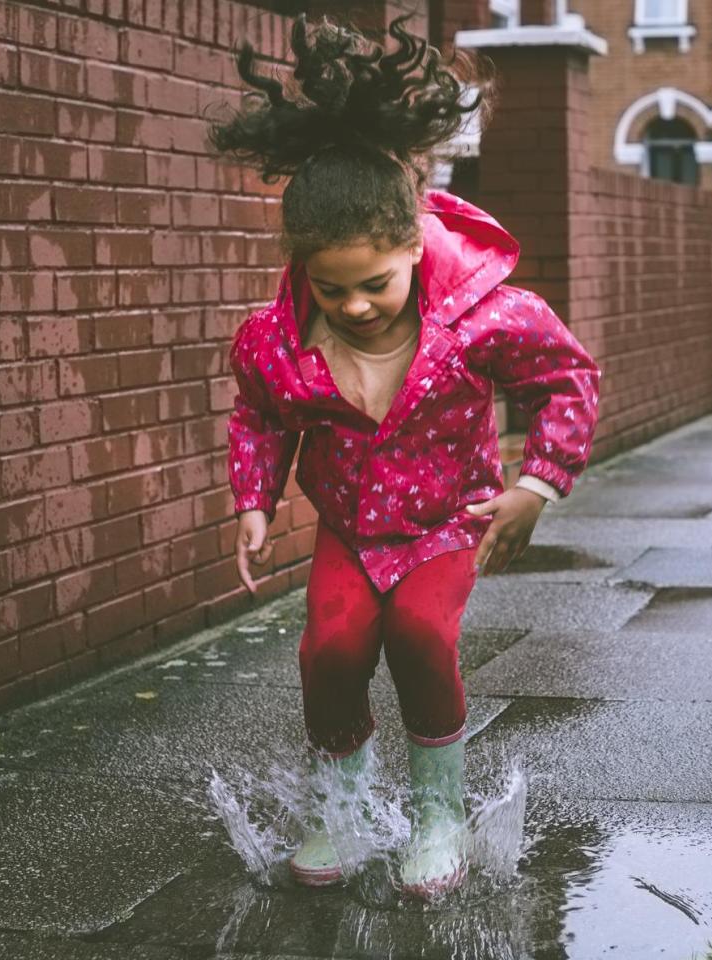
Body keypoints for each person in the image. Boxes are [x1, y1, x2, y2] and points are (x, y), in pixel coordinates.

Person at [208, 15, 600, 896]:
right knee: (333, 649)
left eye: (375, 284)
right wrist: (254, 500)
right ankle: (341, 810)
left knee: (422, 637)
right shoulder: (277, 341)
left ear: (415, 247)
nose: (354, 306)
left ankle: (438, 814)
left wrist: (537, 483)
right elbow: (260, 417)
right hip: (350, 527)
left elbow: (570, 378)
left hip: (446, 521)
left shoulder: (481, 317)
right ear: (302, 271)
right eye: (330, 287)